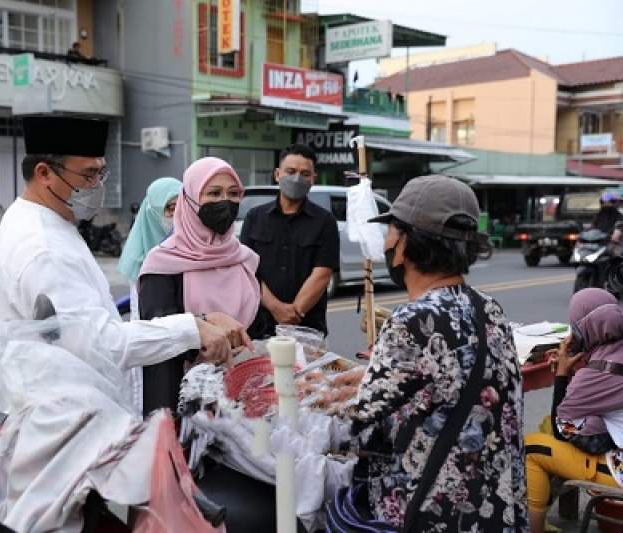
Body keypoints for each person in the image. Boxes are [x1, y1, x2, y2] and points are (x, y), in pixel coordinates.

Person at [0, 116, 249, 408]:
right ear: (44, 173)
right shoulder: (44, 247)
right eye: (88, 175)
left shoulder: (42, 221)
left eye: (102, 174)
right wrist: (192, 328)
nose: (98, 186)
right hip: (66, 417)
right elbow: (100, 343)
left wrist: (197, 323)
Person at [325, 175, 528, 532]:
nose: (386, 242)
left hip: (437, 512)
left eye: (390, 232)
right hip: (494, 508)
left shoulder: (412, 320)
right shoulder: (488, 307)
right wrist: (370, 376)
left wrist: (312, 401)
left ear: (404, 246)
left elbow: (355, 428)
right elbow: (450, 384)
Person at [138, 158, 260, 414]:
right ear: (190, 199)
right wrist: (206, 323)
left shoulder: (245, 259)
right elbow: (157, 331)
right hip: (183, 400)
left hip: (243, 398)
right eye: (214, 193)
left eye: (233, 193)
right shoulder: (162, 262)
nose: (225, 202)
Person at [525, 288, 623, 533]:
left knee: (531, 447)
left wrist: (562, 376)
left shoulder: (599, 371)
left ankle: (532, 527)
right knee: (550, 425)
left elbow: (564, 430)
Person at [240, 143, 339, 339]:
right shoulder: (255, 217)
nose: (297, 178)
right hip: (260, 328)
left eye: (304, 173)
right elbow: (247, 270)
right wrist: (276, 308)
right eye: (291, 171)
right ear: (277, 174)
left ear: (313, 179)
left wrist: (294, 312)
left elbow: (322, 273)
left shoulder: (325, 222)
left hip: (307, 328)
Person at [117, 177, 181, 321]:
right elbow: (137, 311)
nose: (177, 214)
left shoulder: (193, 243)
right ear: (153, 211)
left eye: (181, 207)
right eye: (170, 208)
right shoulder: (139, 255)